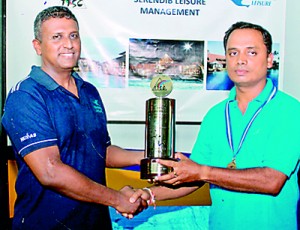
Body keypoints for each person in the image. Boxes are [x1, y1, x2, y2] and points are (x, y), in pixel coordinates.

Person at [131, 21, 300, 229]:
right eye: (233, 53)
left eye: (252, 53)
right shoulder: (216, 115)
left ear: (269, 60)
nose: (241, 60)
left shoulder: (289, 111)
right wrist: (147, 195)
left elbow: (271, 181)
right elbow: (193, 178)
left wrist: (202, 172)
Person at [2, 6, 148, 230]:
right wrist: (118, 199)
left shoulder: (89, 91)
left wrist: (148, 157)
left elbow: (101, 152)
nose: (68, 44)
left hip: (95, 222)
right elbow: (50, 171)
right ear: (38, 46)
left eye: (73, 35)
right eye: (57, 37)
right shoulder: (25, 96)